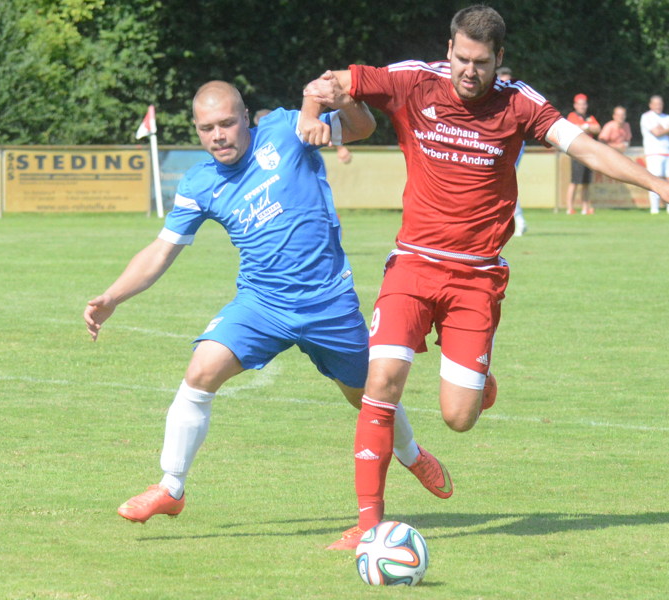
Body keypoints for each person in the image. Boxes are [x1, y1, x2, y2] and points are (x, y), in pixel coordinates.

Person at [301, 4, 669, 549]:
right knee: (381, 385)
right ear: (449, 50)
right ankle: (368, 524)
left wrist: (656, 184)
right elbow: (328, 83)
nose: (469, 71)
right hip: (413, 265)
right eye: (461, 59)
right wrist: (310, 111)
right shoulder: (412, 82)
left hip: (477, 279)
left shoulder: (520, 104)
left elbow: (585, 147)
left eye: (481, 62)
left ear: (500, 59)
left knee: (459, 417)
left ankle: (480, 382)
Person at [84, 81, 447, 524]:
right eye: (207, 129)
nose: (218, 136)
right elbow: (161, 251)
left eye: (226, 123)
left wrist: (343, 102)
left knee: (370, 395)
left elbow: (361, 128)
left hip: (328, 303)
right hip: (262, 304)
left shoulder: (286, 130)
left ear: (246, 117)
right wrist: (113, 296)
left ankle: (411, 454)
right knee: (200, 371)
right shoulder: (199, 183)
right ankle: (170, 487)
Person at [496, 66, 527, 235]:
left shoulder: (515, 102)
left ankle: (518, 221)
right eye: (502, 82)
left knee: (504, 183)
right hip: (496, 147)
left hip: (512, 147)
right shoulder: (491, 102)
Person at [640, 95, 669, 214]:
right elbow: (656, 132)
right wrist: (668, 130)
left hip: (668, 152)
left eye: (660, 104)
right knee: (655, 179)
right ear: (650, 105)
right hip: (654, 153)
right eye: (655, 104)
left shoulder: (667, 117)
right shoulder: (646, 117)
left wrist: (665, 130)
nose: (658, 106)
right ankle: (655, 208)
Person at [564, 93, 601, 215]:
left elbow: (597, 128)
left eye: (584, 104)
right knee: (575, 181)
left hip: (588, 151)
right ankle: (570, 208)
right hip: (577, 151)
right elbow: (573, 128)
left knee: (586, 182)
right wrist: (588, 127)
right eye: (580, 104)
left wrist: (584, 127)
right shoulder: (572, 116)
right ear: (575, 105)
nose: (582, 106)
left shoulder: (589, 117)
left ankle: (585, 208)